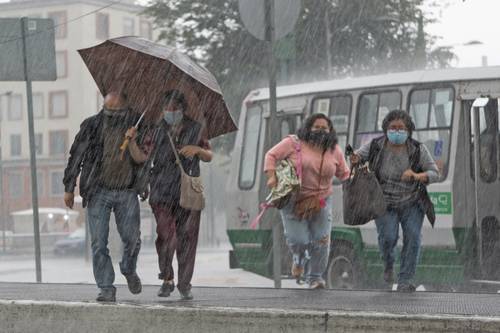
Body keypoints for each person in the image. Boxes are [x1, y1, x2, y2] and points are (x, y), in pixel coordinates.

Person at [63, 91, 152, 302]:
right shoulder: (91, 126)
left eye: (116, 111)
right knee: (98, 243)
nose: (111, 115)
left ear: (126, 109)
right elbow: (76, 155)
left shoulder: (138, 124)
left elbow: (144, 159)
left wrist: (132, 141)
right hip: (98, 190)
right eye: (107, 111)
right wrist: (69, 187)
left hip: (127, 190)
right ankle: (106, 287)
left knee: (132, 239)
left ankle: (128, 269)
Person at [350, 109, 439, 292]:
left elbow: (434, 173)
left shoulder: (417, 149)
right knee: (388, 237)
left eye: (401, 128)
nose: (397, 132)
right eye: (393, 128)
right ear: (386, 129)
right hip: (384, 203)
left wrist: (416, 175)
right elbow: (356, 157)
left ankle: (405, 280)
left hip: (413, 202)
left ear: (408, 130)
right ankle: (389, 265)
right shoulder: (376, 146)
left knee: (413, 238)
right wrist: (354, 158)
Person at [264, 113, 350, 289]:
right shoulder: (293, 143)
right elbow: (271, 155)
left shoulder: (335, 150)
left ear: (330, 131)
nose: (320, 131)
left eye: (324, 128)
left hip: (321, 201)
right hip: (293, 200)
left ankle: (315, 278)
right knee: (300, 240)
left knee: (321, 240)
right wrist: (272, 177)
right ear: (308, 128)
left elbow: (345, 174)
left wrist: (358, 183)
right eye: (316, 127)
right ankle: (299, 259)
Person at [147, 90, 212, 300]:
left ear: (182, 109)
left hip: (187, 190)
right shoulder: (155, 130)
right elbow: (143, 155)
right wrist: (130, 141)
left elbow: (209, 155)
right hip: (161, 190)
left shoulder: (196, 128)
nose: (170, 112)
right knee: (165, 235)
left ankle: (185, 284)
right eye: (167, 109)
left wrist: (197, 150)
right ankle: (167, 278)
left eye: (174, 109)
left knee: (187, 238)